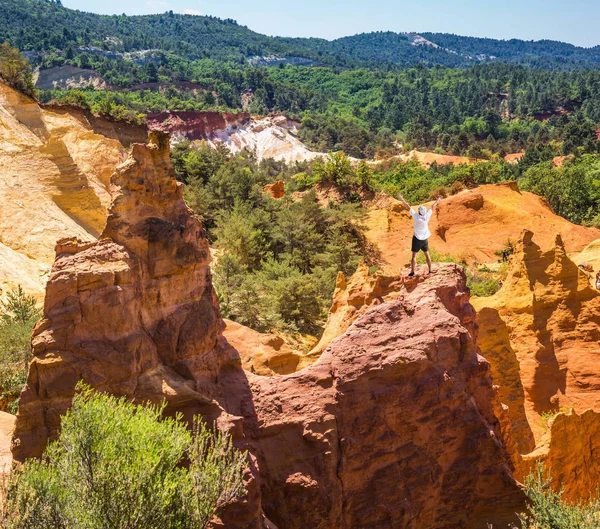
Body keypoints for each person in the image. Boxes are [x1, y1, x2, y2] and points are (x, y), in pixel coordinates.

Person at [397, 194, 441, 276]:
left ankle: (412, 272)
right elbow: (432, 207)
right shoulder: (427, 216)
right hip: (424, 239)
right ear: (424, 212)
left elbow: (408, 207)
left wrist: (402, 199)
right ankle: (430, 270)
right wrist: (438, 200)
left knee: (414, 256)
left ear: (419, 212)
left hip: (416, 238)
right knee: (427, 254)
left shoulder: (416, 216)